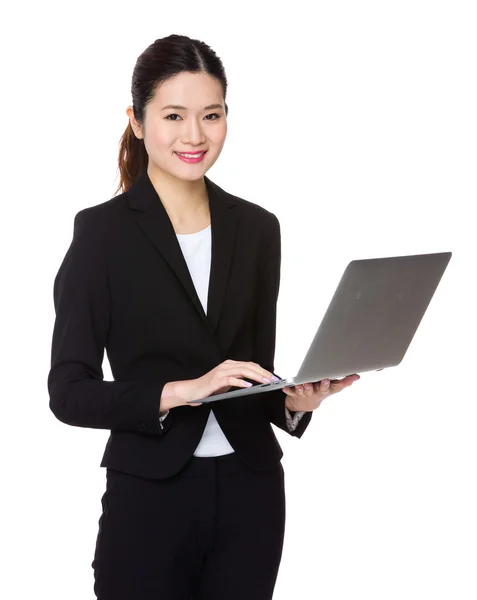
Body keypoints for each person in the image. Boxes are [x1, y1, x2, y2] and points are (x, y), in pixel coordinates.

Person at [47, 34, 359, 600]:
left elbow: (251, 371)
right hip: (150, 497)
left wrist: (292, 402)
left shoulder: (259, 228)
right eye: (174, 115)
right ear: (137, 122)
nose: (195, 135)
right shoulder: (102, 235)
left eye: (211, 115)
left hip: (252, 494)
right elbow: (69, 392)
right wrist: (182, 390)